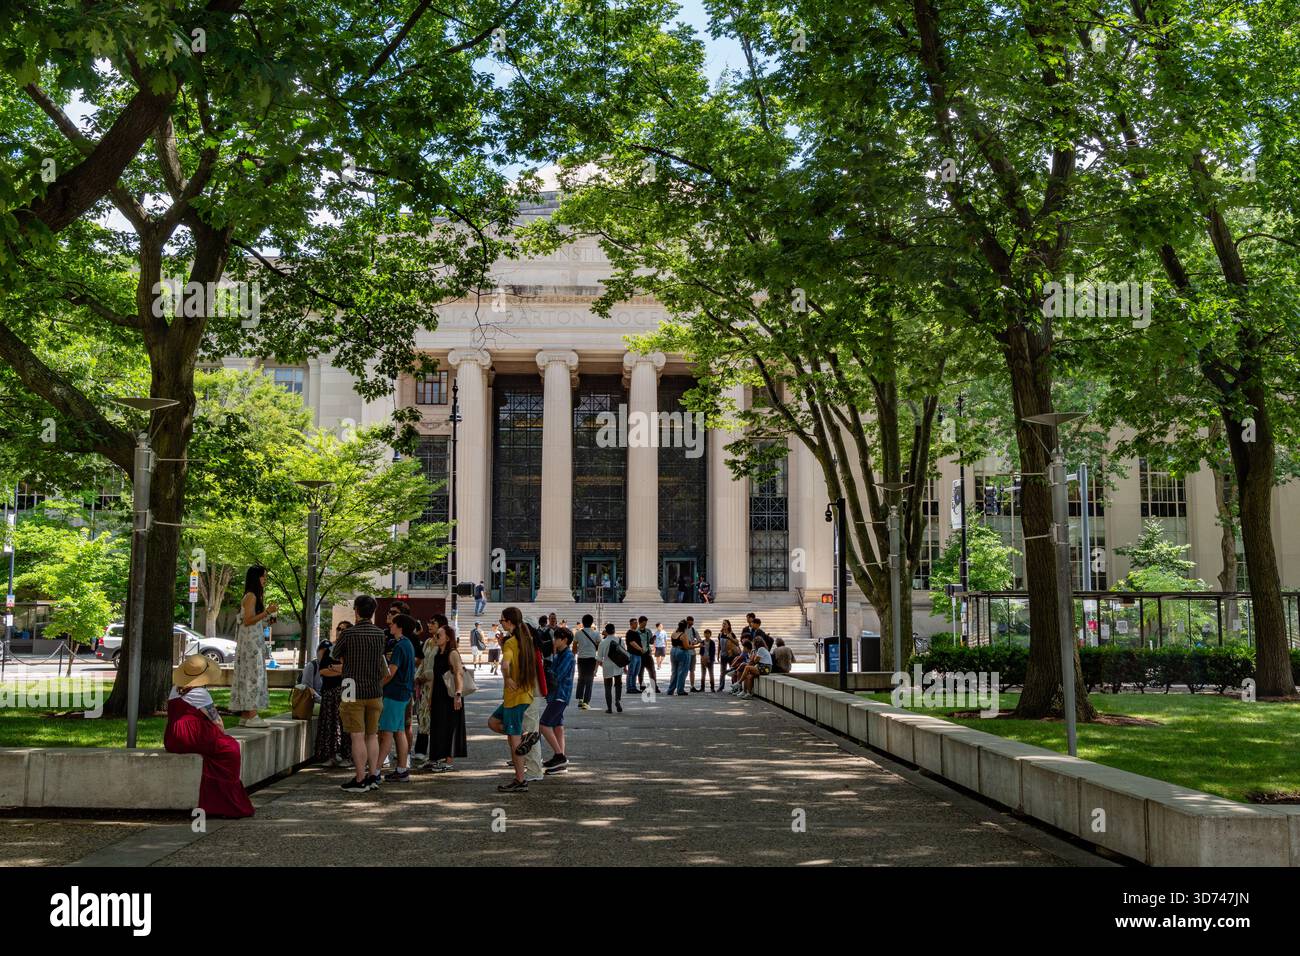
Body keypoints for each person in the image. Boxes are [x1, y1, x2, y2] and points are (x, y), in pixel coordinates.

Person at [165, 655, 255, 818]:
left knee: (215, 752)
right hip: (192, 735)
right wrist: (223, 736)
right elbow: (217, 721)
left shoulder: (175, 689)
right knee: (230, 749)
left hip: (172, 736)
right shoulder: (200, 693)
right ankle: (225, 803)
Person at [335, 594, 389, 793]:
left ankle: (359, 779)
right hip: (375, 688)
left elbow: (334, 653)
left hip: (351, 687)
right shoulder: (379, 634)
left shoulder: (348, 634)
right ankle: (373, 774)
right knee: (372, 735)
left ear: (356, 611)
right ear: (373, 611)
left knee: (356, 735)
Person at [489, 606, 539, 793]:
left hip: (515, 697)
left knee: (513, 740)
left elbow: (505, 663)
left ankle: (520, 779)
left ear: (509, 622)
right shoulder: (525, 639)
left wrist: (507, 677)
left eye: (502, 620)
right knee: (494, 722)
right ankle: (525, 738)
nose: (501, 623)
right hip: (524, 694)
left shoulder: (512, 642)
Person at [231, 565, 276, 727]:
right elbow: (248, 620)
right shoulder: (251, 596)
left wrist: (267, 619)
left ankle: (245, 714)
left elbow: (251, 621)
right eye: (264, 576)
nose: (265, 580)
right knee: (252, 676)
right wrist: (267, 611)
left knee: (248, 676)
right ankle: (251, 715)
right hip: (250, 646)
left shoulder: (252, 596)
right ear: (256, 578)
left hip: (251, 642)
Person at [378, 613, 417, 782]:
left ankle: (375, 769)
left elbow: (390, 673)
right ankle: (402, 769)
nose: (390, 626)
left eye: (393, 623)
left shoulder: (400, 646)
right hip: (404, 693)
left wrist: (378, 686)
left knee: (386, 732)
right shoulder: (407, 644)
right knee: (399, 731)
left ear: (399, 626)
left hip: (394, 694)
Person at [425, 622, 467, 773]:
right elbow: (435, 678)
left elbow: (459, 673)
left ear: (448, 638)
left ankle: (448, 761)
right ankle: (440, 758)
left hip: (450, 695)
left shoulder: (453, 653)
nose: (436, 637)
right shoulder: (438, 654)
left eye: (439, 635)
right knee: (438, 726)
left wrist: (458, 694)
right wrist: (430, 697)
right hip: (438, 695)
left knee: (450, 726)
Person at [315, 622, 353, 765]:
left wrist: (335, 668)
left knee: (347, 724)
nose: (340, 631)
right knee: (329, 724)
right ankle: (330, 755)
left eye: (344, 629)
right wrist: (339, 669)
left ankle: (347, 756)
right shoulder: (329, 648)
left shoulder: (352, 649)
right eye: (339, 629)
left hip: (347, 691)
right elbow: (323, 671)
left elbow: (349, 670)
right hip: (330, 692)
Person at [540, 628, 574, 774]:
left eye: (556, 639)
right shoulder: (560, 654)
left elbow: (557, 675)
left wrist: (544, 670)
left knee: (543, 725)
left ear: (564, 639)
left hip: (560, 695)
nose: (554, 641)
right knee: (558, 726)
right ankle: (560, 762)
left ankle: (559, 756)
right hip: (556, 695)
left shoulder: (568, 655)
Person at [574, 613, 601, 710]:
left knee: (581, 678)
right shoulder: (596, 633)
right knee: (589, 680)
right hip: (591, 659)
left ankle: (580, 699)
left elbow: (574, 649)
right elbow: (600, 646)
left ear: (582, 623)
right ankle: (586, 701)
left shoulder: (578, 633)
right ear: (591, 622)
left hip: (581, 658)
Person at [596, 622, 625, 713]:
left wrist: (597, 668)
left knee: (607, 686)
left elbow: (599, 658)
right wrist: (625, 666)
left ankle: (609, 708)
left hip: (607, 665)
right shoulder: (620, 640)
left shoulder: (603, 642)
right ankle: (617, 701)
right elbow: (624, 654)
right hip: (618, 664)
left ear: (606, 631)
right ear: (614, 630)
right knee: (618, 684)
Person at [667, 619, 691, 696]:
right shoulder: (683, 635)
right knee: (682, 672)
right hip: (682, 652)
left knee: (674, 672)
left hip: (673, 651)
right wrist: (697, 645)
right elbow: (687, 647)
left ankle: (670, 690)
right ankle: (680, 690)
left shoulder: (674, 633)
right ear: (685, 627)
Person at [636, 615, 659, 693]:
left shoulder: (648, 631)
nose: (645, 624)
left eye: (646, 623)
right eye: (644, 623)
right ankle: (642, 686)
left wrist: (654, 638)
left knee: (652, 670)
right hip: (639, 653)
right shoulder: (636, 632)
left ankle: (654, 686)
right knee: (640, 671)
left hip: (647, 653)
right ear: (640, 623)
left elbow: (650, 642)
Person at [624, 617, 644, 692]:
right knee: (631, 672)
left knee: (636, 672)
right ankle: (629, 688)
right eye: (635, 623)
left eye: (637, 623)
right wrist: (640, 649)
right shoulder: (629, 633)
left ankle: (634, 687)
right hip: (633, 654)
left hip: (638, 655)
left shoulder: (636, 632)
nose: (636, 624)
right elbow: (632, 642)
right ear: (631, 624)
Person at [717, 619, 738, 692]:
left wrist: (730, 638)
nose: (723, 625)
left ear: (728, 625)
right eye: (723, 624)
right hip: (723, 655)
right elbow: (719, 645)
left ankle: (734, 686)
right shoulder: (720, 634)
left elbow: (737, 643)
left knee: (731, 671)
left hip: (730, 655)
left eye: (725, 624)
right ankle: (721, 686)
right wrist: (718, 654)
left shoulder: (731, 634)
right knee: (722, 672)